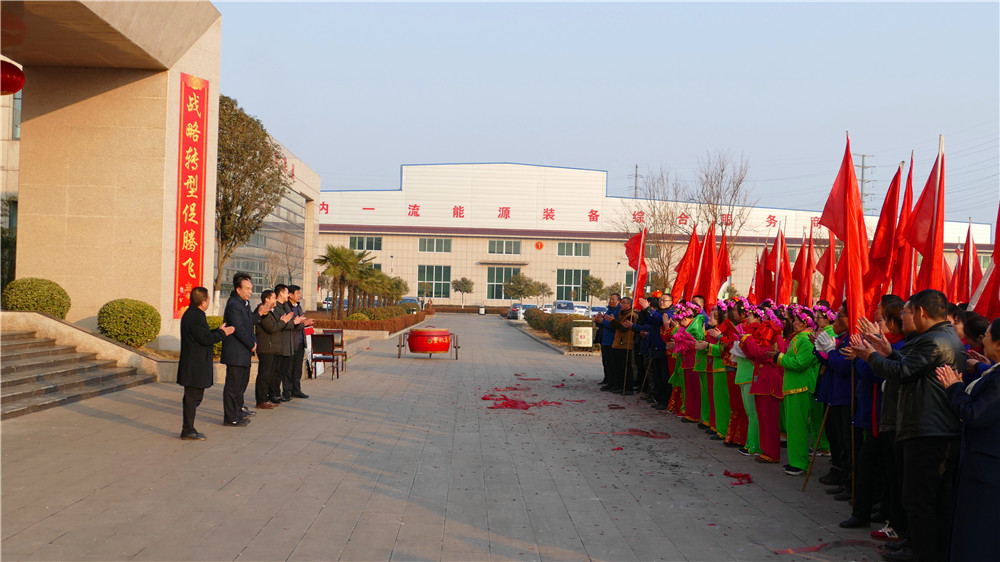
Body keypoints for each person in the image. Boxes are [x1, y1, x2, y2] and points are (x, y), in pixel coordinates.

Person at [852, 289, 965, 562]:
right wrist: (889, 353)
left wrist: (871, 356)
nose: (904, 316)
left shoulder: (933, 340)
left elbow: (902, 373)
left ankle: (924, 553)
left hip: (929, 430)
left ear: (921, 312)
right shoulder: (939, 338)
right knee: (926, 499)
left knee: (920, 501)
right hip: (932, 427)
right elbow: (912, 368)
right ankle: (921, 548)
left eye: (907, 311)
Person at [935, 317, 1000, 562]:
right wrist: (983, 367)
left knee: (979, 532)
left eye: (988, 335)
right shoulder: (994, 372)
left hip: (987, 468)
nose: (984, 340)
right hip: (983, 463)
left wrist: (954, 387)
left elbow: (975, 415)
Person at [177, 287, 234, 440]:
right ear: (203, 302)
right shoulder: (195, 316)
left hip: (195, 363)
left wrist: (217, 330)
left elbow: (202, 334)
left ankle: (188, 429)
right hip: (194, 364)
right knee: (192, 398)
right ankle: (187, 430)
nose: (209, 301)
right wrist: (223, 333)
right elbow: (205, 339)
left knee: (193, 398)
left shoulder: (194, 314)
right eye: (208, 299)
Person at [221, 272, 257, 426]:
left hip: (243, 352)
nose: (250, 292)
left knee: (240, 386)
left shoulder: (244, 304)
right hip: (235, 352)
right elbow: (239, 328)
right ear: (238, 289)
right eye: (247, 289)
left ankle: (238, 412)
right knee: (233, 387)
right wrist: (251, 343)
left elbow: (249, 326)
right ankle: (230, 418)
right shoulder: (234, 305)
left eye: (251, 289)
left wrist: (253, 341)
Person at [253, 290, 292, 409]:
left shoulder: (271, 312)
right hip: (266, 348)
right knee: (264, 375)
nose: (275, 300)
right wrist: (283, 321)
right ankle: (261, 400)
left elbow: (276, 326)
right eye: (273, 298)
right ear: (267, 300)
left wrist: (282, 321)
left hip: (273, 348)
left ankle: (266, 398)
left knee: (269, 375)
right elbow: (272, 328)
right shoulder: (262, 312)